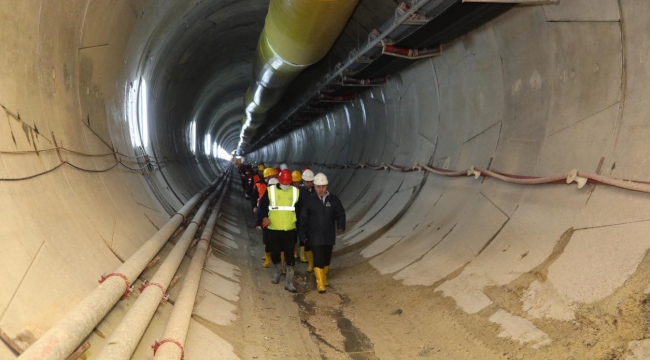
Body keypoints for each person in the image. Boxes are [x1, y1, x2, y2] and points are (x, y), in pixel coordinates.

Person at [299, 173, 346, 293]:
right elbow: (303, 218)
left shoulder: (333, 200)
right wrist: (302, 234)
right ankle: (319, 282)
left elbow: (340, 212)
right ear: (314, 187)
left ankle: (323, 277)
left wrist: (341, 224)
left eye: (323, 186)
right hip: (314, 235)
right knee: (318, 258)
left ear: (327, 186)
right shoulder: (310, 201)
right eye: (319, 186)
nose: (321, 189)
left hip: (328, 234)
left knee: (326, 258)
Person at [256, 169, 301, 293]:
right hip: (274, 229)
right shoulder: (270, 191)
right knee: (275, 253)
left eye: (288, 183)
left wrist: (300, 225)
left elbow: (301, 210)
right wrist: (264, 217)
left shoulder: (296, 192)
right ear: (279, 181)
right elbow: (262, 207)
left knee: (290, 255)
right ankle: (277, 272)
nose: (286, 186)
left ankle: (289, 282)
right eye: (284, 183)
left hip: (289, 230)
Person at [255, 168, 277, 268]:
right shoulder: (265, 193)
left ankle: (278, 263)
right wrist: (258, 221)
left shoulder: (281, 195)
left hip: (277, 223)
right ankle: (268, 257)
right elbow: (261, 208)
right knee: (267, 240)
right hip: (266, 222)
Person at [300, 169, 316, 269]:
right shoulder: (300, 192)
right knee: (305, 241)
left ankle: (315, 262)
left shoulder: (317, 191)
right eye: (307, 182)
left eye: (311, 182)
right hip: (304, 220)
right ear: (303, 181)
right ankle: (310, 262)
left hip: (314, 220)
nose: (309, 184)